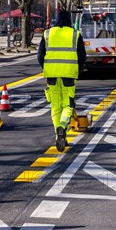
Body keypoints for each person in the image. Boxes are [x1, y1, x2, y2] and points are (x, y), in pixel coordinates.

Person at [37, 9, 86, 152]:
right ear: (69, 21)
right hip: (69, 76)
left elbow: (40, 56)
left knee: (55, 107)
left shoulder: (47, 34)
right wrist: (78, 70)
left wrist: (47, 69)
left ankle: (59, 136)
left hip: (51, 76)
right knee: (68, 106)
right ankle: (63, 127)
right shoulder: (74, 34)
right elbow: (82, 57)